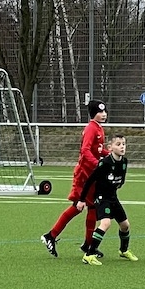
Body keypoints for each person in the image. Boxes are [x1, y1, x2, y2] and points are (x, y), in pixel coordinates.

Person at [41, 99, 108, 258]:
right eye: (100, 112)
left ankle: (87, 244)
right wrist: (97, 163)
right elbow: (85, 150)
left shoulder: (98, 128)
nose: (104, 114)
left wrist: (110, 155)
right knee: (79, 206)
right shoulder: (91, 128)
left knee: (92, 208)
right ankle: (51, 235)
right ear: (93, 113)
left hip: (91, 175)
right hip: (84, 175)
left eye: (105, 111)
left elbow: (98, 150)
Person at [79, 134, 136, 266]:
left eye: (124, 144)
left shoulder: (124, 161)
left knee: (125, 225)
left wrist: (119, 183)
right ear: (110, 148)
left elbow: (121, 178)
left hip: (112, 197)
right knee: (106, 223)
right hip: (101, 197)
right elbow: (90, 180)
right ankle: (89, 255)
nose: (122, 147)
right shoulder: (105, 163)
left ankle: (123, 250)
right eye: (118, 144)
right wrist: (82, 200)